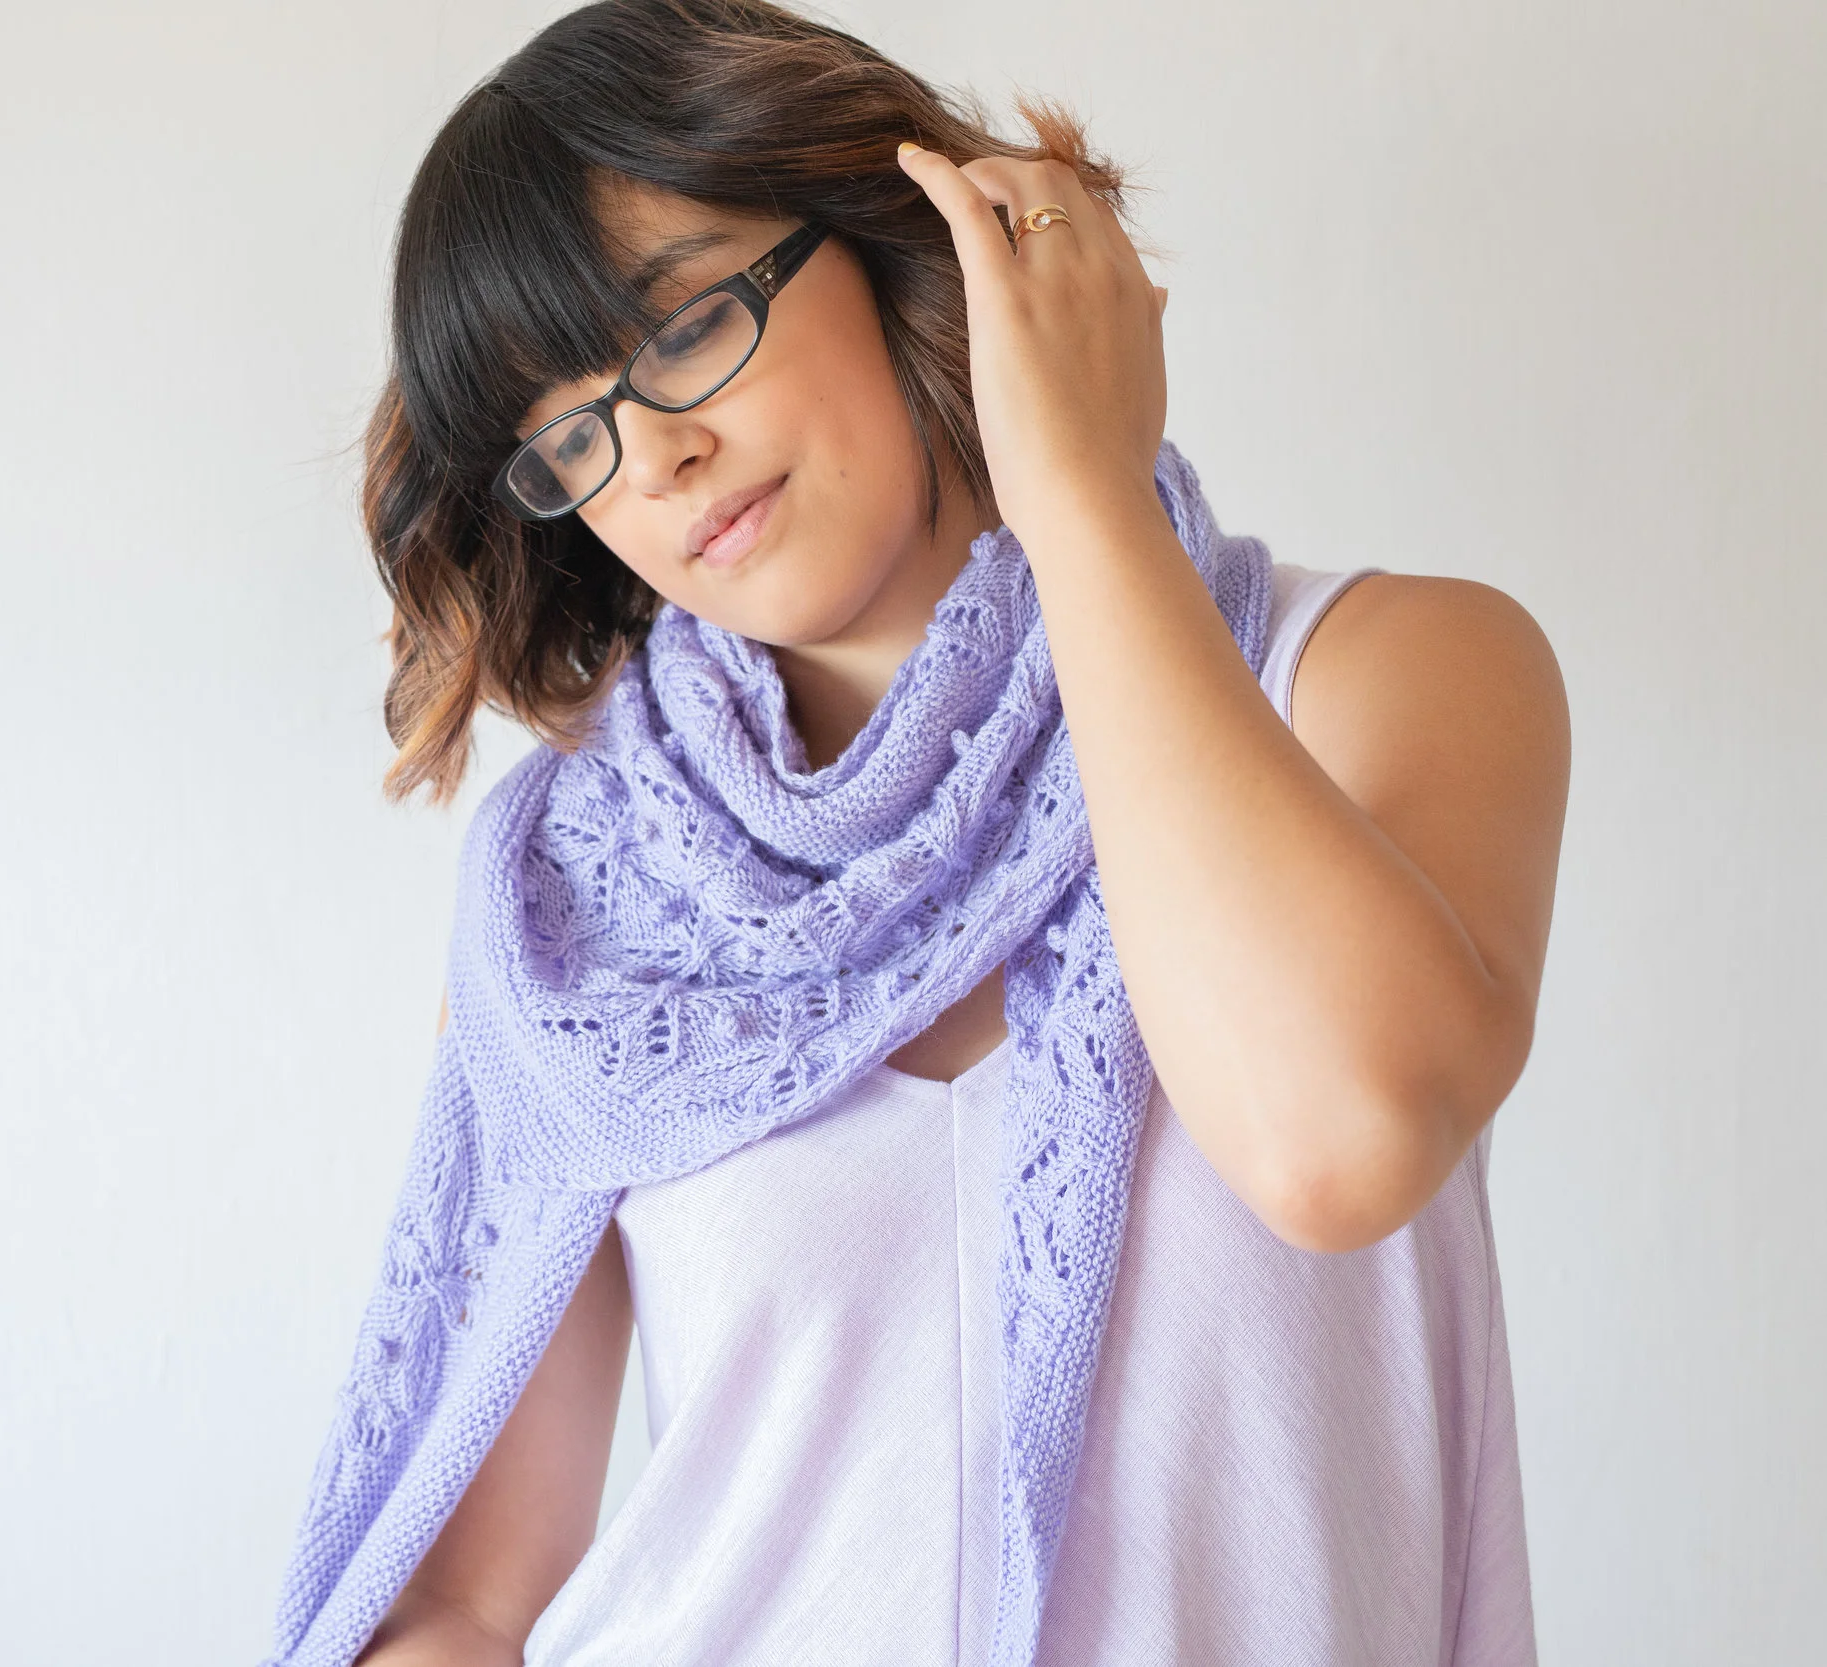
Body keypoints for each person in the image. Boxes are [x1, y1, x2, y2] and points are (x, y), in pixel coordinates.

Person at [263, 2, 1570, 1663]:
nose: (656, 455)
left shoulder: (1377, 676)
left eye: (687, 325)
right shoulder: (571, 892)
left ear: (894, 234)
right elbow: (463, 1599)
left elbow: (1338, 1142)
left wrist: (1080, 491)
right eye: (570, 434)